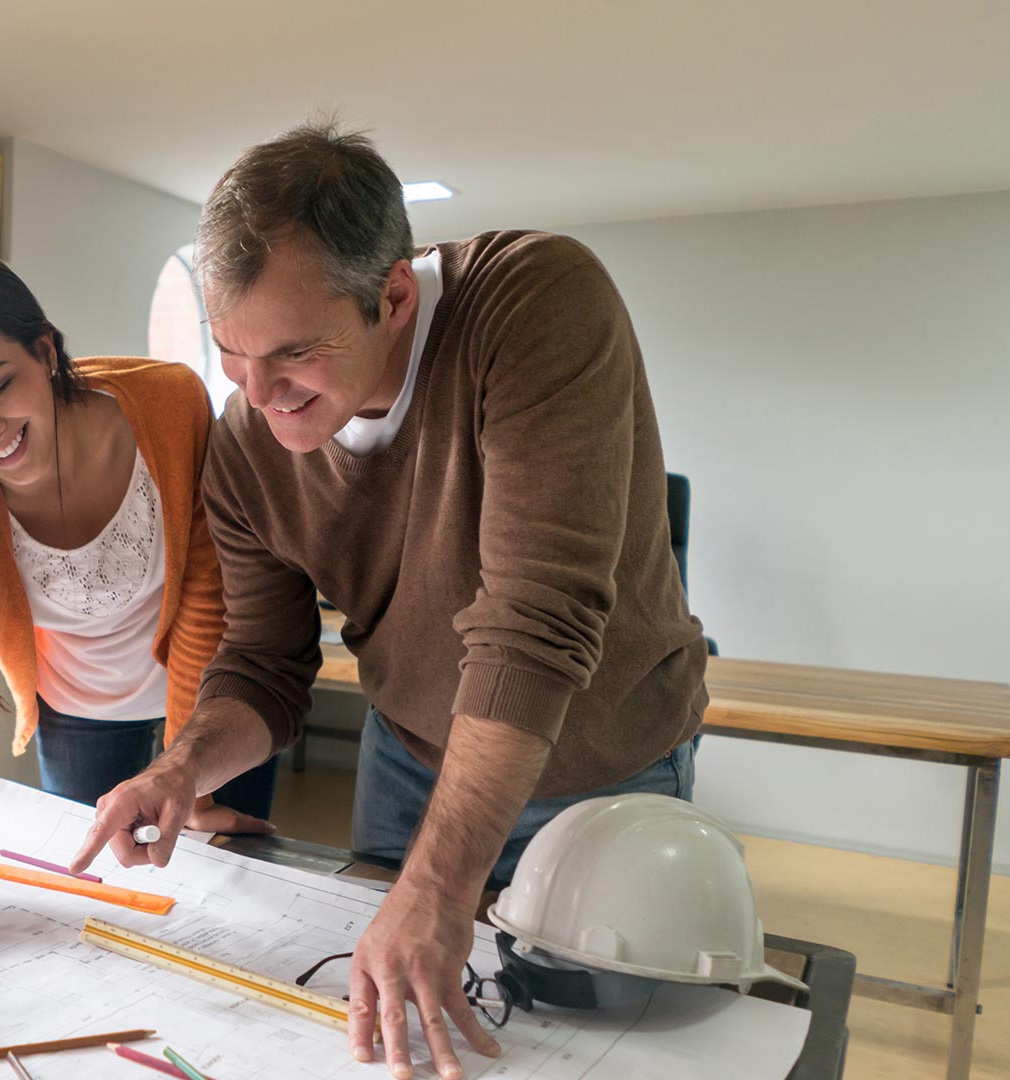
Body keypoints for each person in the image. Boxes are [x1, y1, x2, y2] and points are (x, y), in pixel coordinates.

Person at [69, 123, 708, 1079]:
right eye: (231, 353)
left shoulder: (535, 300)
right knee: (397, 1038)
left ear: (395, 295)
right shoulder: (248, 440)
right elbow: (265, 663)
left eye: (292, 353)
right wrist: (186, 764)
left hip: (600, 758)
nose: (257, 393)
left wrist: (440, 888)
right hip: (411, 758)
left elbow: (536, 621)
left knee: (594, 1050)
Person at [0, 244, 278, 1004]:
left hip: (213, 708)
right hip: (77, 719)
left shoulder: (169, 402)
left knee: (230, 934)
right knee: (98, 942)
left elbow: (208, 592)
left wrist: (189, 768)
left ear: (43, 348)